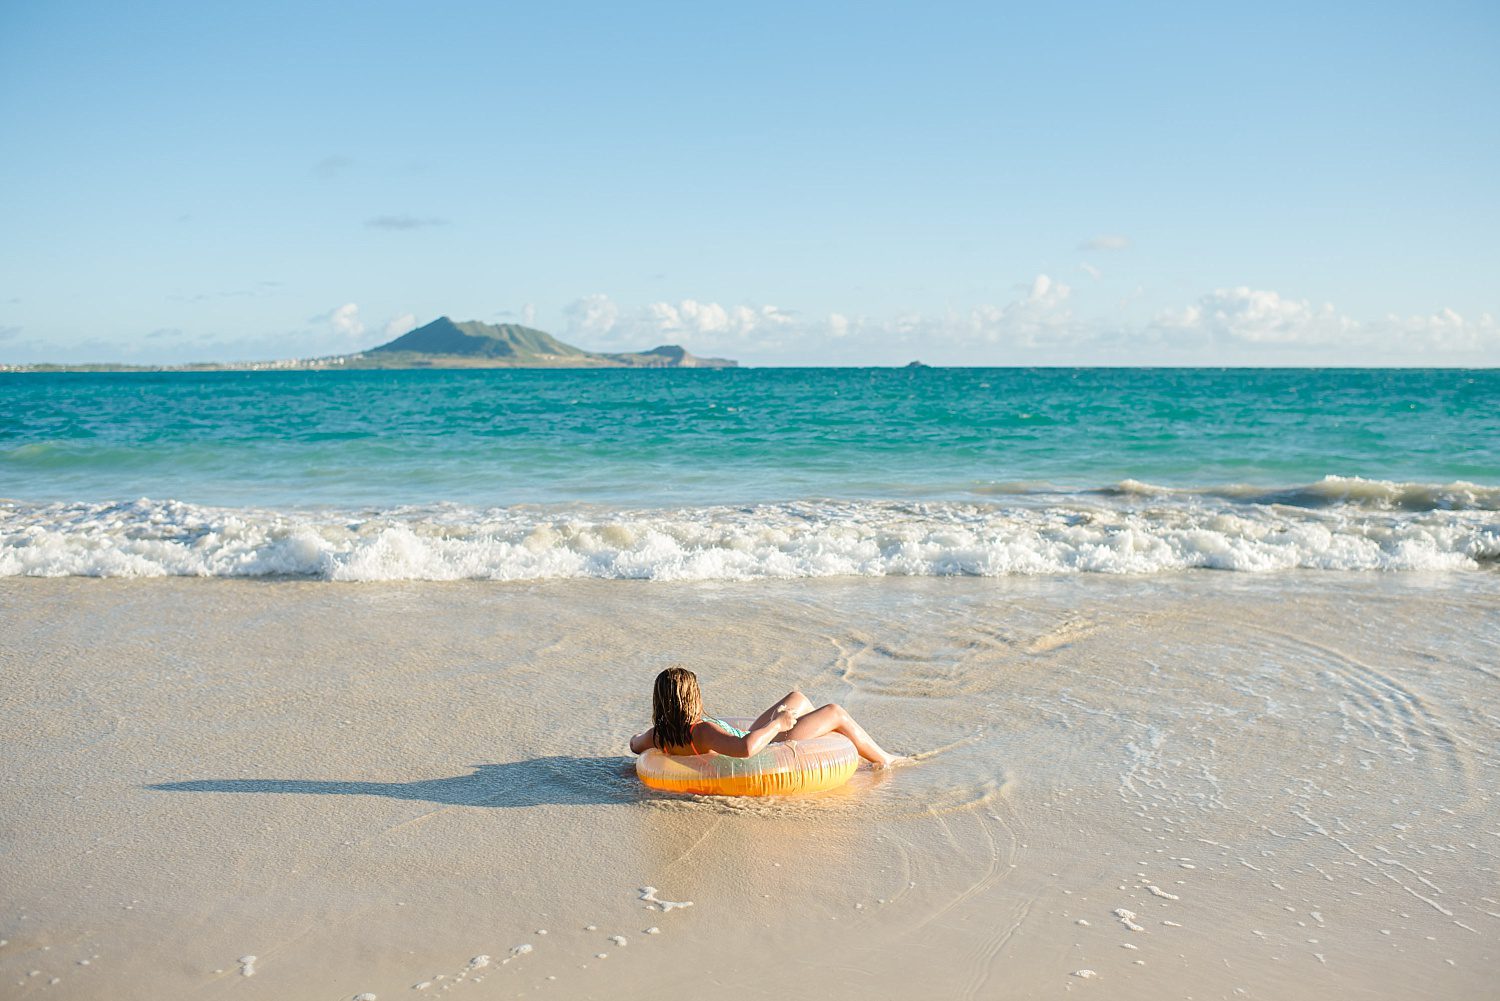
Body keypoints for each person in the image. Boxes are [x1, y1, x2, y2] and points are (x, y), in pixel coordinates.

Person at [629, 666, 898, 769]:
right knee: (835, 712)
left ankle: (815, 736)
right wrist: (777, 725)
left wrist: (641, 738)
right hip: (767, 749)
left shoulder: (659, 734)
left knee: (797, 699)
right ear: (694, 699)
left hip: (751, 738)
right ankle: (885, 759)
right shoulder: (702, 731)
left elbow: (634, 745)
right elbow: (746, 748)